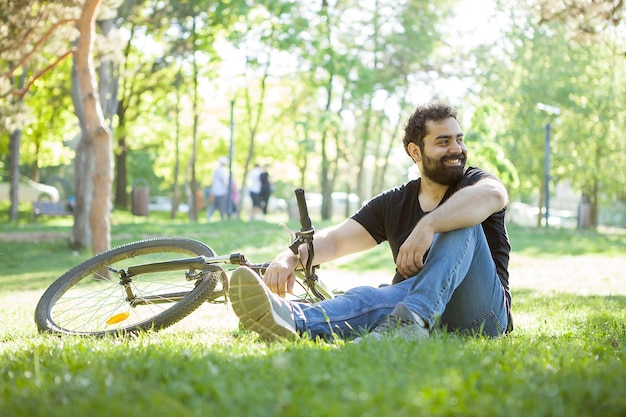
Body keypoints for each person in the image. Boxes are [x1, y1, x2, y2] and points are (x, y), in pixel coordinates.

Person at [229, 102, 512, 342]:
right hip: (416, 308)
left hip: (482, 313)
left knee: (460, 221)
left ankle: (413, 318)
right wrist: (288, 258)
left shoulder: (476, 183)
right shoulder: (394, 202)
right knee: (366, 296)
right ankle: (288, 318)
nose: (456, 149)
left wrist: (429, 224)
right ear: (415, 152)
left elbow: (494, 194)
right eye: (443, 141)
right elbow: (335, 239)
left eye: (459, 139)